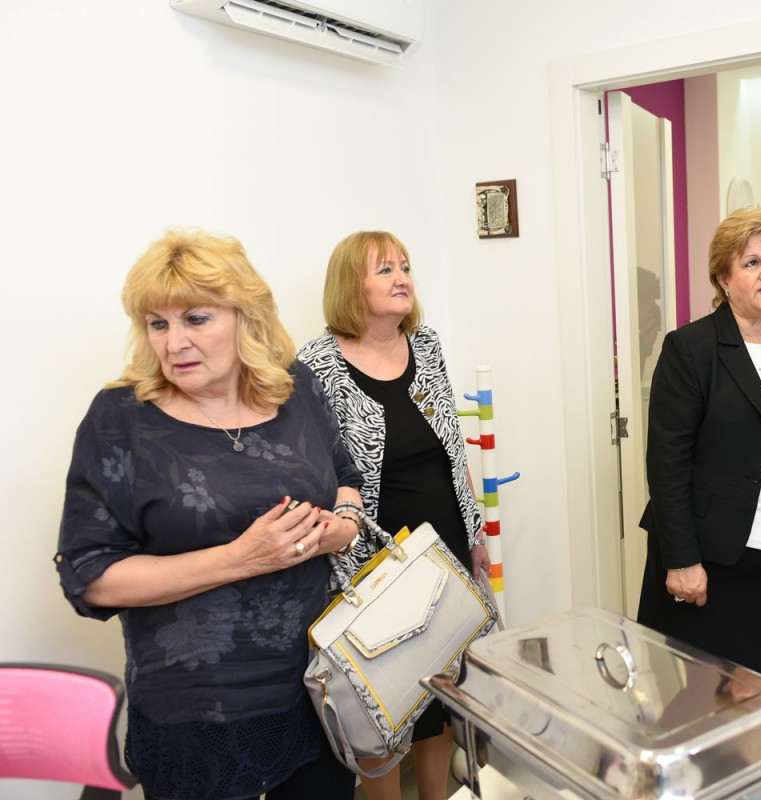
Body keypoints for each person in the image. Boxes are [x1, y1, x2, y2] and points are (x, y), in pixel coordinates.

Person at [55, 230, 364, 800]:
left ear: (247, 318)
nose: (174, 343)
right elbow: (90, 577)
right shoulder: (120, 419)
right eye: (158, 324)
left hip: (320, 688)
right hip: (198, 717)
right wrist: (240, 559)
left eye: (196, 319)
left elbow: (347, 478)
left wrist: (341, 530)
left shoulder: (295, 389)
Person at [298, 231, 489, 800]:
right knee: (381, 702)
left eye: (404, 266)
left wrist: (475, 532)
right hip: (373, 561)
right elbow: (317, 472)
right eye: (385, 269)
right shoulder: (317, 364)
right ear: (350, 285)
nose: (402, 277)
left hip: (443, 545)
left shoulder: (424, 344)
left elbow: (452, 446)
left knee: (441, 689)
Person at [636, 208, 761, 682]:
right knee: (697, 700)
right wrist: (682, 560)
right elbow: (667, 463)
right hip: (712, 559)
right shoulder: (691, 348)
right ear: (723, 278)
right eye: (752, 263)